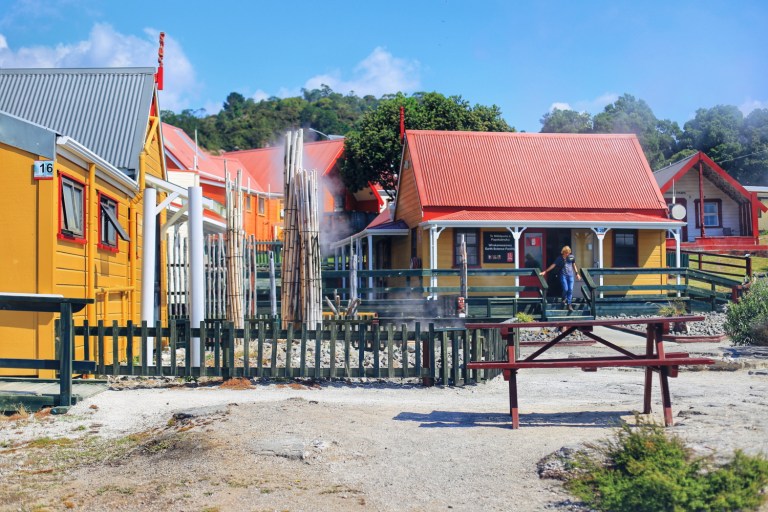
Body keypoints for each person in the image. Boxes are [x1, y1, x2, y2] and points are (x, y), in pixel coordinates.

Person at [541, 245, 581, 311]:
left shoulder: (571, 257)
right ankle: (564, 297)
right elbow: (553, 265)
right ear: (563, 252)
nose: (567, 254)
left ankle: (569, 304)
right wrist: (545, 271)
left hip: (571, 275)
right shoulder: (559, 258)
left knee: (570, 289)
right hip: (563, 275)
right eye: (566, 253)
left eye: (568, 253)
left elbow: (574, 265)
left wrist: (577, 273)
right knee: (565, 289)